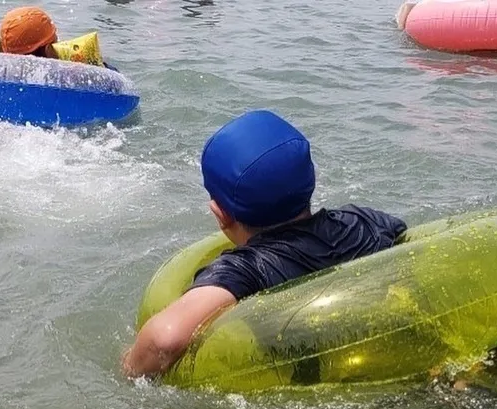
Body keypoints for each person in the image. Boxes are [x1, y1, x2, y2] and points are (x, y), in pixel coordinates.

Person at [121, 109, 407, 379]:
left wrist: (127, 369)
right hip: (394, 355)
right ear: (312, 179)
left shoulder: (245, 269)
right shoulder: (364, 221)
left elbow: (163, 340)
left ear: (219, 213)